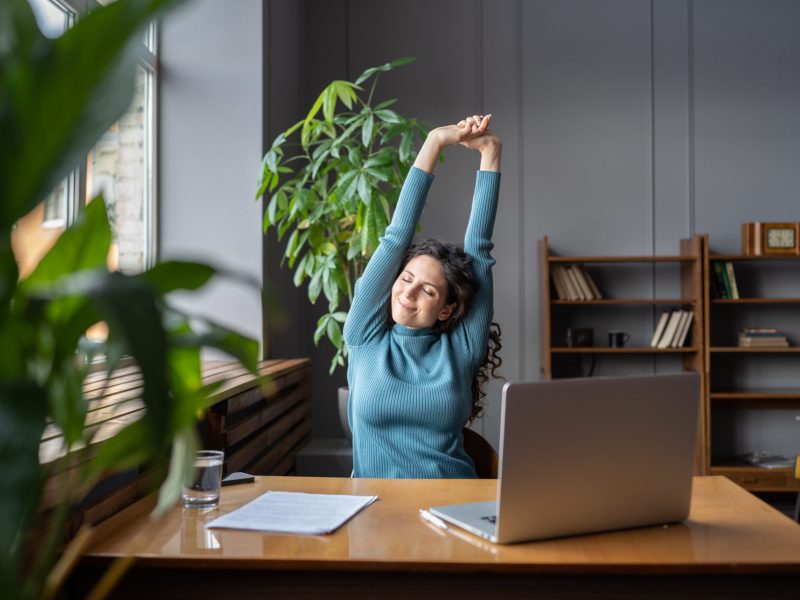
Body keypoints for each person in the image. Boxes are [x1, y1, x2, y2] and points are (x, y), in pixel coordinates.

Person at [343, 114, 503, 478]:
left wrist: (491, 151)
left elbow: (478, 251)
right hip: (375, 509)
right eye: (406, 278)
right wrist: (434, 141)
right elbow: (396, 236)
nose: (408, 292)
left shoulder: (461, 350)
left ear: (446, 309)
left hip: (453, 500)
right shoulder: (364, 336)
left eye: (428, 290)